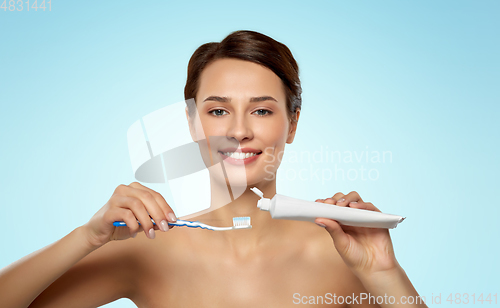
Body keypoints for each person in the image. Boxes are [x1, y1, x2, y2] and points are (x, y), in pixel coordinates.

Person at [0, 30, 428, 308]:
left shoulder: (340, 251)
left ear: (292, 124)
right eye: (219, 110)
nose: (239, 131)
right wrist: (84, 237)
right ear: (191, 123)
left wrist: (383, 273)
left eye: (261, 110)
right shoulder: (147, 248)